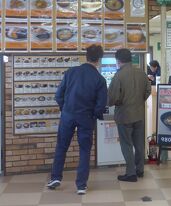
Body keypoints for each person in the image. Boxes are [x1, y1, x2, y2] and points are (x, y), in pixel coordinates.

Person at [46, 45, 107, 195]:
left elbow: (58, 95)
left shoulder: (71, 72)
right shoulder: (99, 79)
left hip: (68, 115)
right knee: (85, 150)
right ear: (99, 60)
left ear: (86, 57)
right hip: (86, 117)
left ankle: (55, 177)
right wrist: (94, 115)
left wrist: (65, 108)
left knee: (61, 146)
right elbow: (101, 104)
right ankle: (81, 185)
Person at [108, 49, 151, 182]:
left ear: (118, 60)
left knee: (126, 144)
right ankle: (140, 170)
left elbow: (112, 98)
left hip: (124, 115)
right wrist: (139, 101)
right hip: (139, 114)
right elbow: (148, 90)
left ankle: (131, 173)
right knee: (139, 144)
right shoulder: (142, 73)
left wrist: (113, 102)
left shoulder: (118, 76)